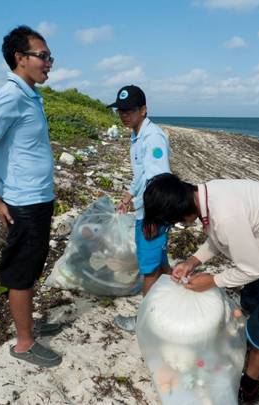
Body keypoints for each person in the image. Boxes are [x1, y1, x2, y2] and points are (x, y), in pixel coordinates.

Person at [142, 173, 259, 405]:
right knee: (258, 323)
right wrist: (192, 262)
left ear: (186, 211)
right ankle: (249, 385)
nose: (184, 225)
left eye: (179, 223)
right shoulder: (205, 196)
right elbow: (217, 238)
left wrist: (213, 280)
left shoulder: (226, 215)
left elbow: (251, 269)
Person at [0, 25, 62, 367]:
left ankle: (29, 327)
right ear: (20, 58)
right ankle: (24, 343)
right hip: (23, 203)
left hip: (38, 199)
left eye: (50, 56)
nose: (49, 62)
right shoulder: (9, 95)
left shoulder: (28, 94)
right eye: (43, 56)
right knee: (21, 273)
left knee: (31, 267)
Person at [107, 85, 172, 331]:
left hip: (153, 213)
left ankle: (145, 321)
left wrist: (151, 218)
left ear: (143, 110)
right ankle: (177, 299)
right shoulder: (137, 135)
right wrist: (128, 197)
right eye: (120, 111)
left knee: (150, 269)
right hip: (147, 210)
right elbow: (142, 174)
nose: (123, 115)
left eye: (129, 110)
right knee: (160, 262)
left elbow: (158, 179)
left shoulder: (152, 137)